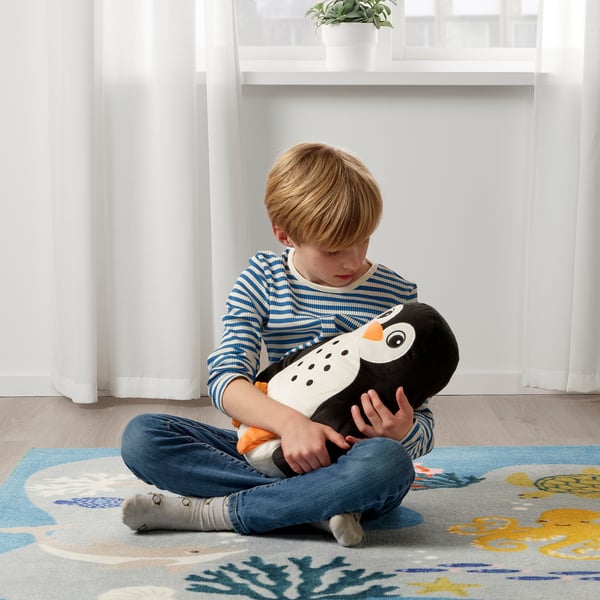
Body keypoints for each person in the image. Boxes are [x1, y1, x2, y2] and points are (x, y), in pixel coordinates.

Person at [120, 142, 434, 547]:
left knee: (389, 465)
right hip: (269, 449)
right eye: (334, 248)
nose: (352, 261)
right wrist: (291, 424)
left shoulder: (396, 297)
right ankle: (317, 509)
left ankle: (213, 512)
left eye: (364, 239)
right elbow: (225, 378)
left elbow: (424, 419)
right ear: (285, 235)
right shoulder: (263, 279)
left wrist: (403, 433)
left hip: (352, 458)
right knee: (143, 436)